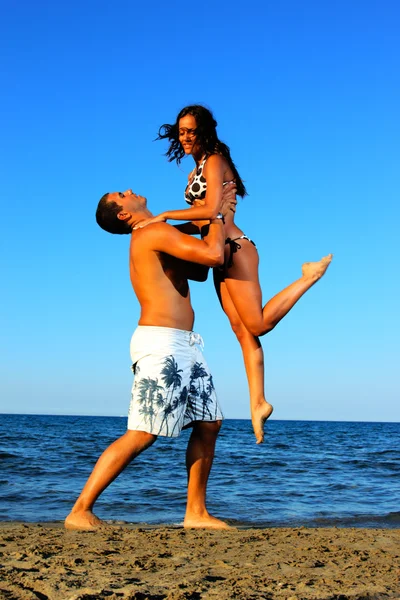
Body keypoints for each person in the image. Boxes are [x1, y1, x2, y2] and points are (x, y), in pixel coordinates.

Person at [135, 105, 333, 444]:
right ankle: (258, 403)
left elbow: (212, 210)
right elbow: (202, 220)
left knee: (257, 324)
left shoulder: (213, 160)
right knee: (242, 331)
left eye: (191, 131)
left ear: (205, 132)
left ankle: (308, 276)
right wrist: (165, 229)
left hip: (236, 248)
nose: (184, 137)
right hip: (220, 252)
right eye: (181, 131)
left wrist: (164, 215)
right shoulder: (196, 169)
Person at [65, 188, 236, 531]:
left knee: (208, 423)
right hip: (161, 345)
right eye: (121, 194)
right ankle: (80, 510)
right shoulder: (151, 232)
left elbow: (200, 270)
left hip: (185, 344)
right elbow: (215, 256)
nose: (129, 191)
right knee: (143, 432)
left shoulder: (159, 232)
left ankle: (196, 513)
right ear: (124, 214)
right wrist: (216, 214)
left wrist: (204, 217)